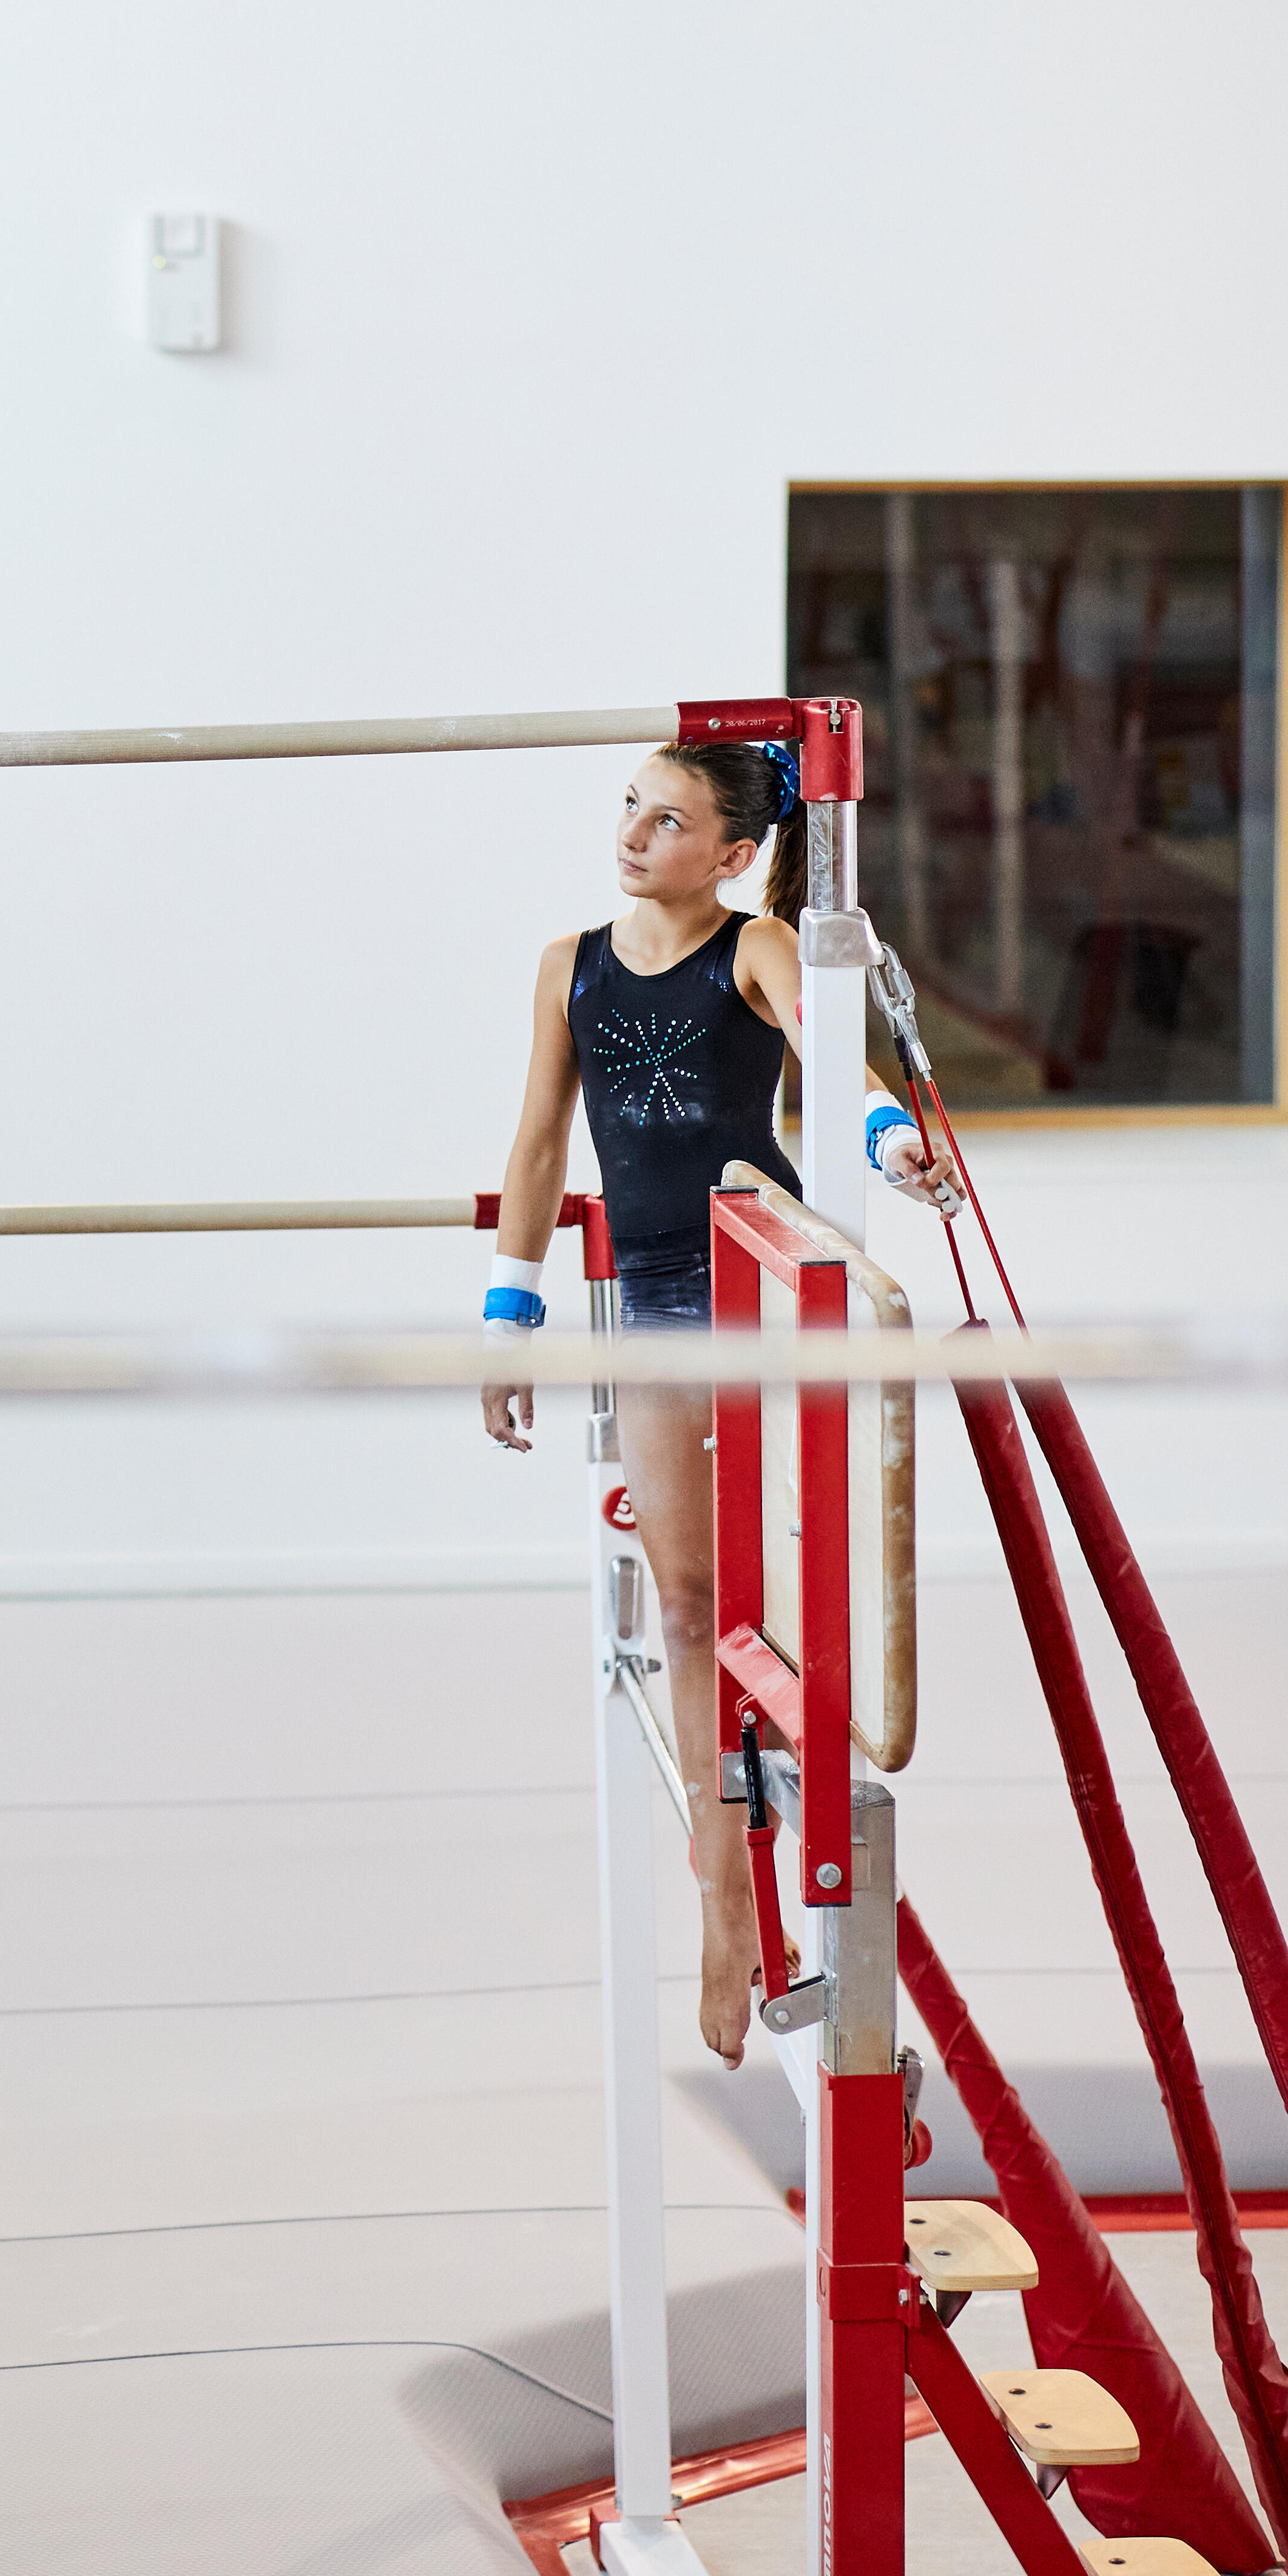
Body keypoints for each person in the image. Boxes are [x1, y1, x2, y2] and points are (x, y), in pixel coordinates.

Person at [477, 738, 953, 2065]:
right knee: (686, 1605)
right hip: (653, 1306)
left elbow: (827, 1052)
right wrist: (509, 1315)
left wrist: (885, 1137)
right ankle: (721, 1901)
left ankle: (783, 1814)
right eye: (630, 805)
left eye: (669, 819)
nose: (633, 831)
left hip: (753, 1292)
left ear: (732, 856)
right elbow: (533, 1142)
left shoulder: (754, 947)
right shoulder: (565, 962)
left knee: (763, 1602)